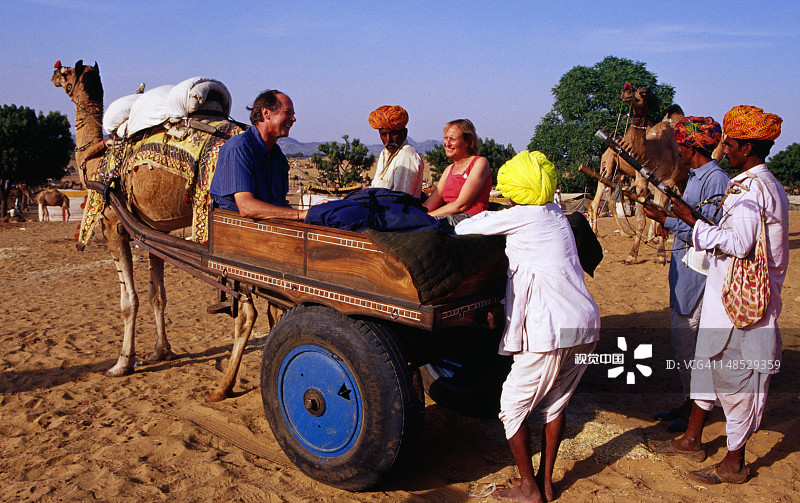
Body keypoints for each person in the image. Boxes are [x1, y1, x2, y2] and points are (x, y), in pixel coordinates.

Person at [648, 105, 787, 485]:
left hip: (742, 301)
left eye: (730, 142)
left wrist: (694, 226)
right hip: (729, 294)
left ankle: (733, 464)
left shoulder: (750, 189)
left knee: (736, 378)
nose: (725, 147)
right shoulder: (763, 185)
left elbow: (737, 244)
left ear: (744, 146)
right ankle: (693, 437)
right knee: (709, 365)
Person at [455, 151, 600, 502]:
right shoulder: (555, 214)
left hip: (549, 329)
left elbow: (463, 227)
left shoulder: (521, 216)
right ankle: (547, 483)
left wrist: (481, 207)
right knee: (556, 404)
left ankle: (528, 487)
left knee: (511, 408)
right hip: (584, 324)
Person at [643, 117, 730, 432]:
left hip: (700, 270)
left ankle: (699, 410)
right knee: (684, 345)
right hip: (685, 265)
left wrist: (666, 221)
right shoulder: (695, 176)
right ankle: (690, 402)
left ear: (691, 146)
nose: (676, 148)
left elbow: (706, 230)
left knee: (690, 343)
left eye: (680, 142)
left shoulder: (715, 180)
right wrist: (665, 216)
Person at [210, 89, 307, 221]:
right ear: (266, 113)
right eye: (287, 113)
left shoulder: (278, 156)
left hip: (267, 230)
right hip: (237, 233)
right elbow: (246, 207)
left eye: (293, 114)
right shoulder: (239, 148)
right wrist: (300, 214)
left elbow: (278, 204)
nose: (293, 119)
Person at [423, 119, 492, 226]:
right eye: (445, 138)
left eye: (453, 139)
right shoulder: (449, 169)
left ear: (468, 142)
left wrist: (425, 217)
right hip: (451, 216)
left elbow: (461, 205)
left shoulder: (479, 163)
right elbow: (429, 205)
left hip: (470, 218)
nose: (447, 143)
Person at [367, 105, 424, 198]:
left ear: (404, 133)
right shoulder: (384, 153)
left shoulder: (407, 156)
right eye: (384, 134)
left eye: (393, 134)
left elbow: (400, 199)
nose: (388, 140)